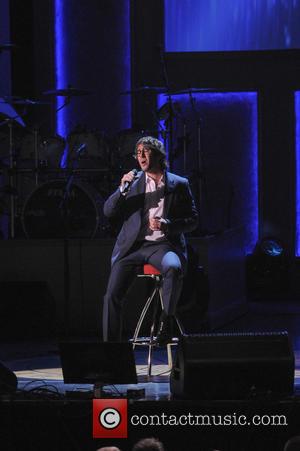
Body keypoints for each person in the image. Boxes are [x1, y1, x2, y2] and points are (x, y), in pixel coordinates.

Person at [102, 136, 198, 343]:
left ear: (158, 155)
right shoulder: (133, 183)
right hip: (132, 247)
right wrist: (122, 189)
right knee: (111, 296)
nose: (141, 156)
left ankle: (166, 322)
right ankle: (111, 351)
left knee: (173, 267)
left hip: (163, 245)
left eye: (146, 151)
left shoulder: (179, 184)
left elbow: (193, 221)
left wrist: (168, 225)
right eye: (138, 153)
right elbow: (108, 211)